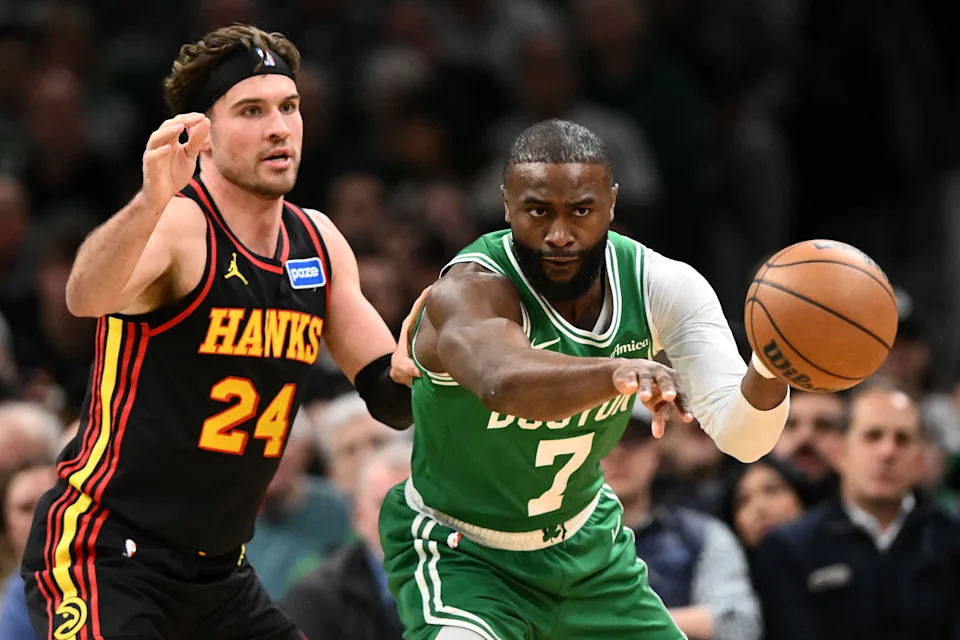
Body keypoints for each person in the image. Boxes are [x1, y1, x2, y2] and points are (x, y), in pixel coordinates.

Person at [21, 24, 413, 640]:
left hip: (218, 575)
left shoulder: (319, 243)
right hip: (106, 553)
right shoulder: (180, 225)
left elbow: (394, 398)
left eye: (289, 107)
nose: (279, 127)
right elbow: (83, 297)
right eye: (251, 111)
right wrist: (149, 201)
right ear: (200, 135)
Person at [381, 119, 790, 640]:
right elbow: (501, 381)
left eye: (580, 210)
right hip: (465, 554)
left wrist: (774, 364)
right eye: (537, 211)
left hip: (587, 551)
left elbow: (744, 436)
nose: (559, 234)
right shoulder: (469, 289)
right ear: (506, 206)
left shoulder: (662, 285)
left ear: (611, 204)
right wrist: (619, 371)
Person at [751, 385, 960, 640]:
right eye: (872, 436)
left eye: (903, 439)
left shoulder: (951, 538)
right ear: (839, 452)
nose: (887, 452)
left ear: (920, 459)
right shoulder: (788, 548)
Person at [602, 404, 762, 640]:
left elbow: (738, 623)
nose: (617, 452)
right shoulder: (556, 537)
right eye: (604, 439)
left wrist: (616, 625)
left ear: (656, 451)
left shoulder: (702, 535)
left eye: (632, 438)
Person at [282, 440, 412, 640]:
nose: (401, 517)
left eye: (414, 501)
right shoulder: (316, 598)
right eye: (383, 504)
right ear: (359, 516)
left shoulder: (469, 574)